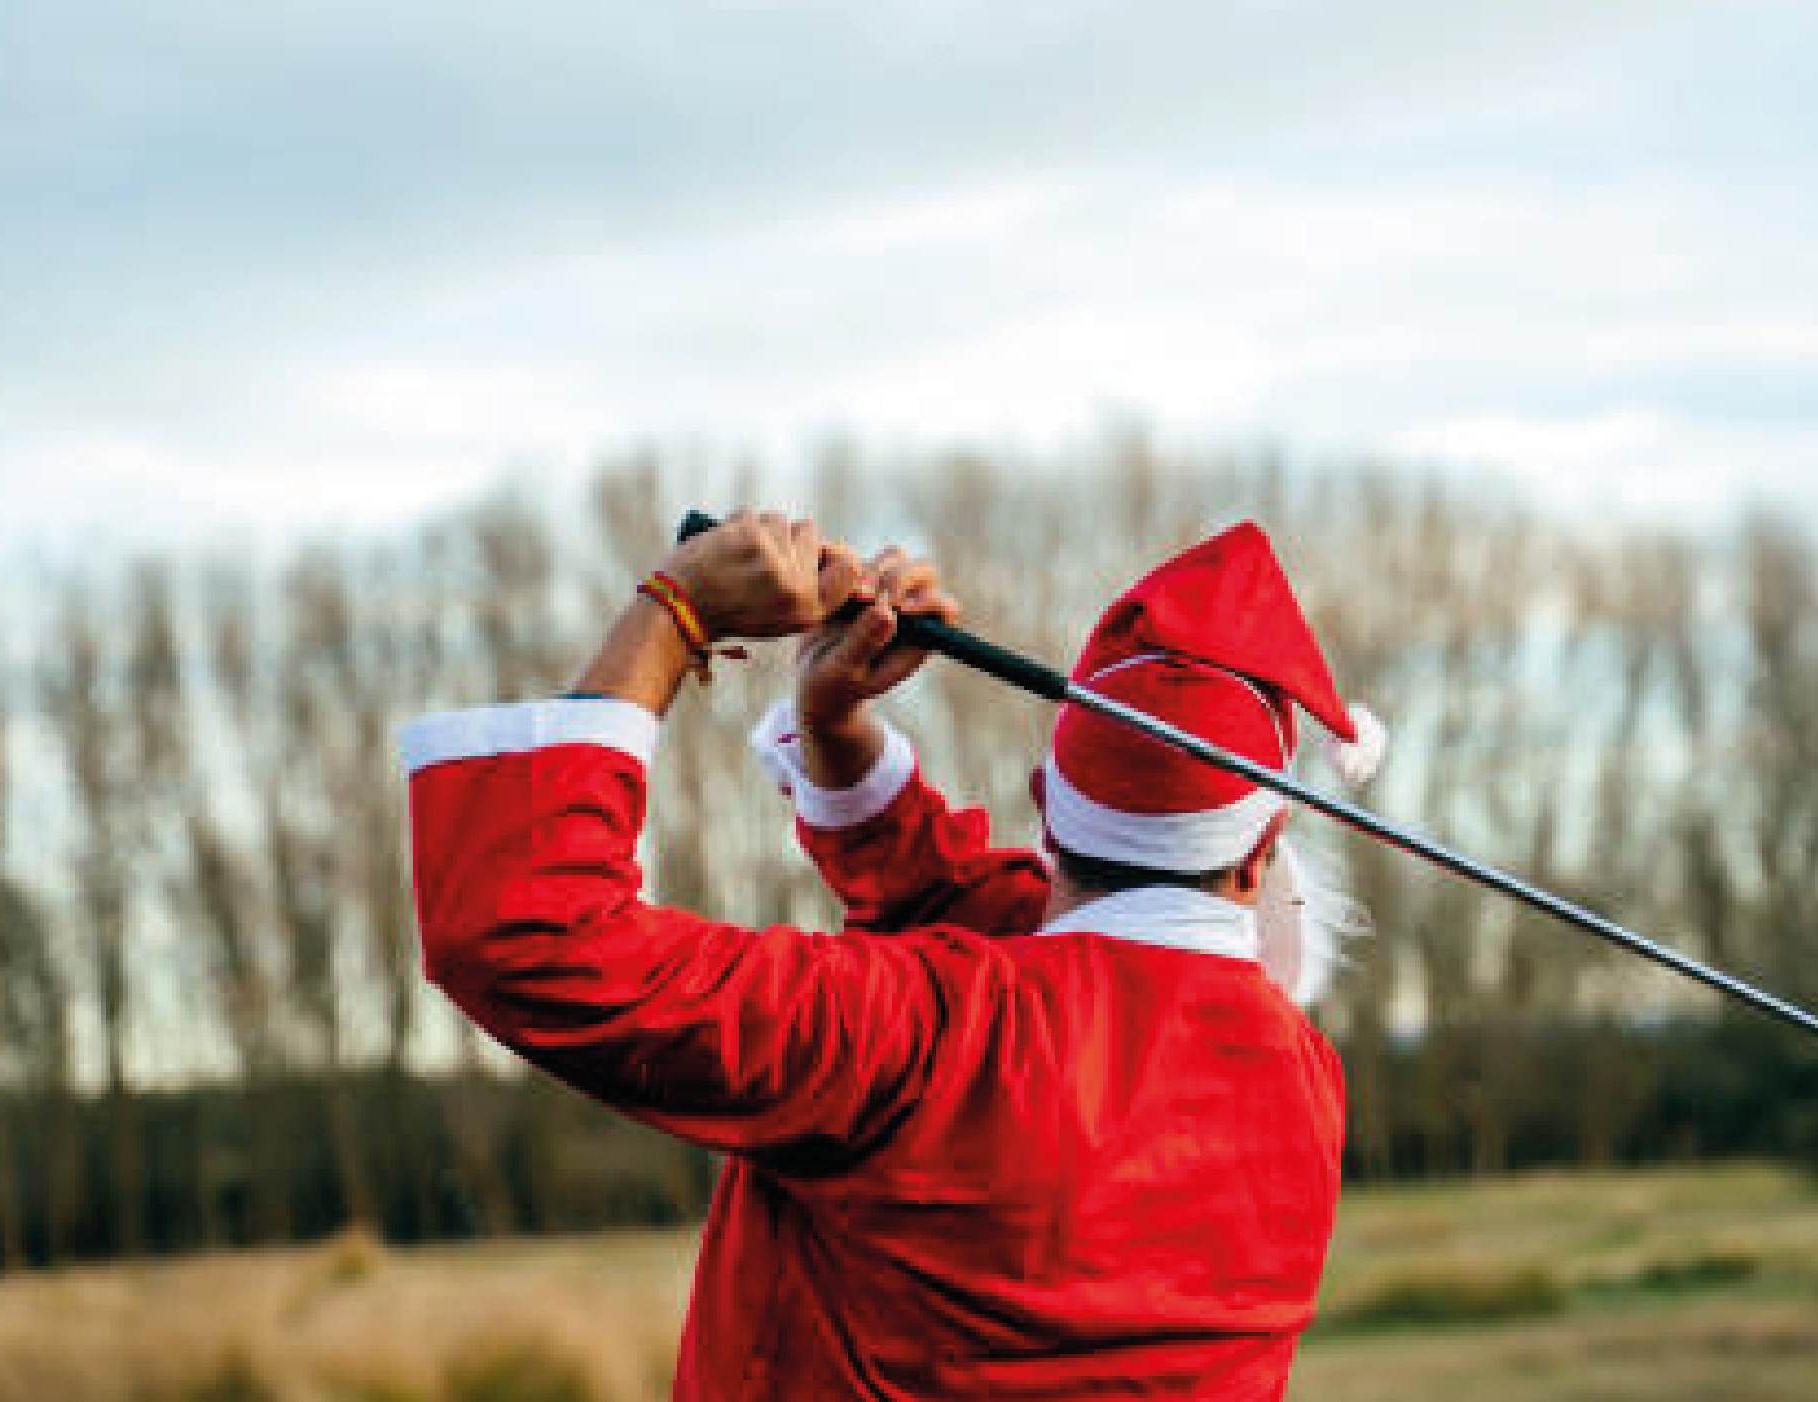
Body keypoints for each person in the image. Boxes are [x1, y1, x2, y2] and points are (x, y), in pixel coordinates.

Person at [401, 509, 1374, 1400]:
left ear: (1044, 806)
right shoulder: (1304, 1087)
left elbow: (527, 925)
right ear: (1258, 853)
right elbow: (1033, 941)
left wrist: (675, 612)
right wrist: (835, 733)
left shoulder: (923, 1041)